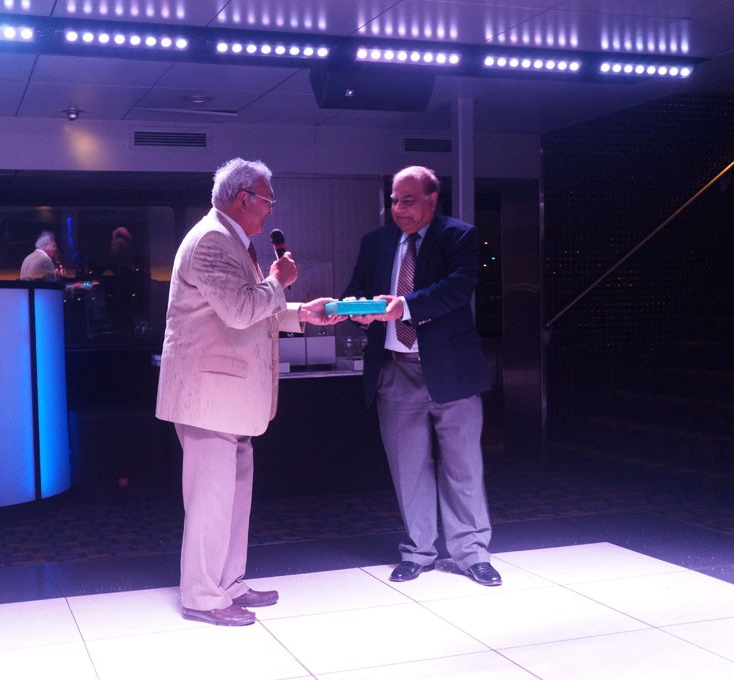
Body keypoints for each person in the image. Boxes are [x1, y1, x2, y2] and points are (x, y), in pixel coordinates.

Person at [155, 158, 340, 627]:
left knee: (233, 499)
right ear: (244, 199)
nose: (270, 211)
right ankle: (202, 597)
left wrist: (302, 312)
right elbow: (240, 309)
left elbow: (252, 309)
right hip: (208, 397)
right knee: (211, 501)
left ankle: (228, 583)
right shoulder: (211, 240)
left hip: (228, 399)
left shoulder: (233, 241)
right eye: (267, 201)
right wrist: (279, 281)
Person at [343, 165, 500, 587]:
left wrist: (405, 306)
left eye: (408, 200)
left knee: (463, 467)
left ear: (432, 199)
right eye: (394, 200)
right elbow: (354, 290)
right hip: (395, 371)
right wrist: (356, 311)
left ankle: (471, 553)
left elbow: (457, 288)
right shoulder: (376, 242)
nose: (398, 208)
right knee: (408, 468)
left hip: (452, 371)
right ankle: (418, 552)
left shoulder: (459, 236)